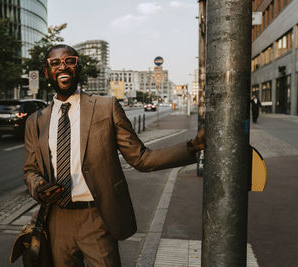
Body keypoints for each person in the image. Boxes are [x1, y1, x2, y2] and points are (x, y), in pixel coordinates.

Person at [23, 44, 204, 267]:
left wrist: (192, 147)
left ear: (78, 67)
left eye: (70, 61)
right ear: (47, 72)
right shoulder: (35, 122)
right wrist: (38, 185)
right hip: (56, 219)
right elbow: (30, 170)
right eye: (55, 63)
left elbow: (141, 158)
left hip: (96, 217)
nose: (63, 66)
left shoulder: (105, 107)